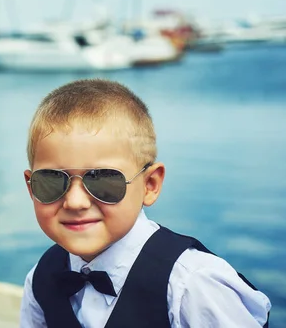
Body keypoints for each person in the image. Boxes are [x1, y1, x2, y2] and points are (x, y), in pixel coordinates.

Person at [19, 79, 271, 328]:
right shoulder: (41, 278)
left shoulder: (192, 286)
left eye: (103, 179)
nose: (75, 202)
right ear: (31, 187)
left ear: (150, 184)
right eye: (51, 180)